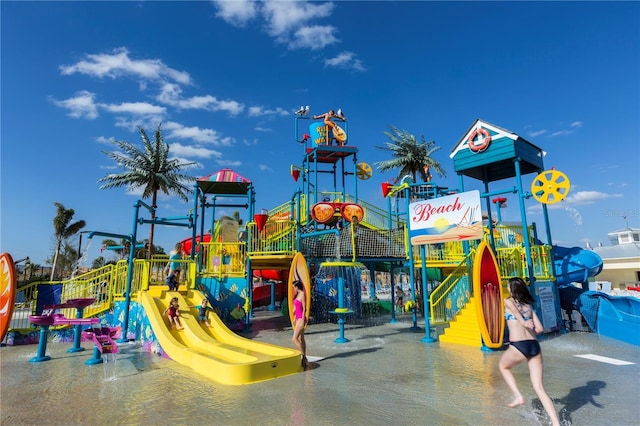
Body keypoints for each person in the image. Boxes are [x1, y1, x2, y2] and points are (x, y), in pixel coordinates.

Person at [499, 277, 560, 426]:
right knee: (539, 388)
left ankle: (518, 396)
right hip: (534, 346)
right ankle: (556, 423)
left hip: (519, 345)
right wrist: (528, 325)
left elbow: (515, 312)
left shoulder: (508, 301)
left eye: (508, 286)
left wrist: (523, 322)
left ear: (512, 289)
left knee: (503, 366)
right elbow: (539, 329)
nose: (507, 288)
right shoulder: (529, 306)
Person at [291, 280, 308, 369]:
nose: (293, 289)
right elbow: (295, 308)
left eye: (294, 287)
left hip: (301, 319)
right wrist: (294, 317)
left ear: (297, 287)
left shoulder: (302, 294)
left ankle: (303, 356)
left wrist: (302, 320)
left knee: (294, 339)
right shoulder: (297, 295)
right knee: (301, 338)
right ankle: (304, 358)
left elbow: (304, 308)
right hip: (297, 318)